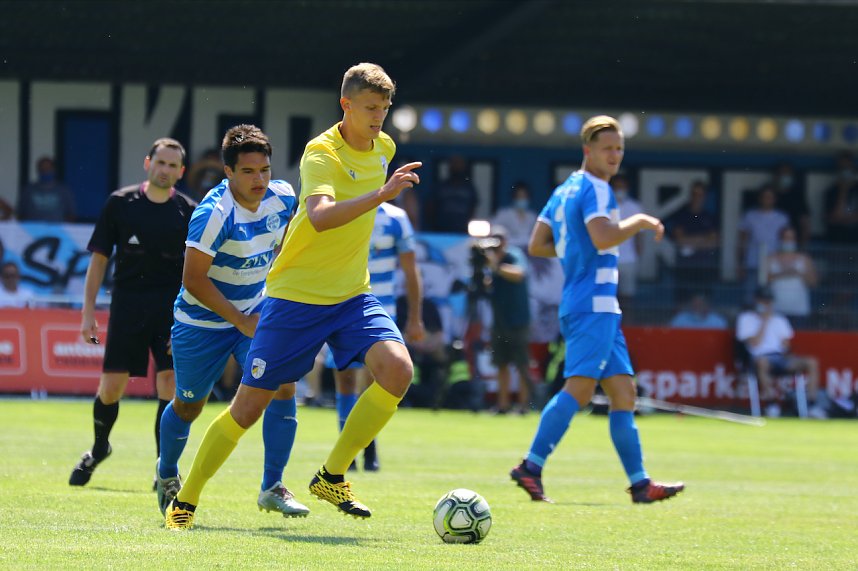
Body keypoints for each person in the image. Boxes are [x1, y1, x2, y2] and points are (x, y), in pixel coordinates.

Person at [165, 62, 422, 530]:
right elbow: (321, 217)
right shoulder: (320, 153)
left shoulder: (384, 146)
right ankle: (186, 498)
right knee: (246, 409)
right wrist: (383, 194)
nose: (379, 118)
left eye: (384, 109)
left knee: (398, 370)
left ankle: (332, 474)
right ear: (345, 104)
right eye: (370, 108)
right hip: (296, 298)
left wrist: (381, 191)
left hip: (351, 295)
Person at [509, 115, 684, 504]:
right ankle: (531, 466)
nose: (615, 156)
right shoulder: (598, 189)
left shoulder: (565, 189)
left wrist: (576, 249)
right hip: (594, 304)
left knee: (623, 394)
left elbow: (537, 244)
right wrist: (638, 221)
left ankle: (640, 485)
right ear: (587, 150)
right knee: (580, 389)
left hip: (590, 303)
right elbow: (603, 236)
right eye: (608, 148)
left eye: (619, 149)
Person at [154, 124, 308, 518]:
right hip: (200, 324)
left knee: (283, 386)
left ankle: (272, 485)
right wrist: (239, 320)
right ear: (227, 171)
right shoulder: (213, 213)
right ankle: (167, 472)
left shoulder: (283, 197)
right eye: (248, 172)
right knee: (189, 406)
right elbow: (192, 279)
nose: (259, 180)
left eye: (265, 170)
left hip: (254, 314)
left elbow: (286, 241)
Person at [68, 138, 196, 487]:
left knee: (168, 384)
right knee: (111, 389)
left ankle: (163, 466)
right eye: (161, 162)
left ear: (181, 172)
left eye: (173, 165)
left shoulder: (189, 211)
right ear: (147, 163)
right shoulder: (119, 203)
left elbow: (198, 270)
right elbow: (98, 260)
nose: (165, 169)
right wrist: (87, 312)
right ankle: (98, 449)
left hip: (172, 311)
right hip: (127, 306)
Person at [331, 199, 425, 472]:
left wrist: (415, 317)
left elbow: (410, 269)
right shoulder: (342, 210)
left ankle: (368, 449)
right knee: (346, 380)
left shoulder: (396, 218)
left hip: (380, 310)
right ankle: (346, 455)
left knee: (374, 382)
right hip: (342, 306)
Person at [736, 286, 826, 418]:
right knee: (763, 362)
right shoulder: (746, 318)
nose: (766, 305)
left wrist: (786, 353)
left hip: (780, 358)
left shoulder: (780, 320)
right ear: (756, 301)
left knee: (811, 362)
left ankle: (812, 405)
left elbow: (786, 344)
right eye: (763, 301)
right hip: (757, 358)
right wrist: (764, 321)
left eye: (768, 301)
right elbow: (754, 343)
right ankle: (771, 404)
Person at [484, 225, 534, 414]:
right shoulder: (490, 260)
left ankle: (524, 405)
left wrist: (495, 265)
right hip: (500, 320)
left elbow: (519, 273)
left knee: (522, 364)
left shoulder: (513, 255)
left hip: (518, 319)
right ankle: (503, 404)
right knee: (501, 363)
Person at [670, 180, 720, 303]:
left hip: (704, 265)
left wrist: (691, 241)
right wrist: (703, 239)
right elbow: (680, 240)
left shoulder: (709, 216)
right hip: (684, 266)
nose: (697, 197)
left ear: (705, 196)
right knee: (681, 299)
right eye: (695, 194)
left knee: (705, 299)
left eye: (701, 194)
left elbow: (714, 242)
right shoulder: (682, 214)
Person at [738, 185, 790, 302]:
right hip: (753, 262)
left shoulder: (782, 218)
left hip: (774, 264)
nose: (767, 199)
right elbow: (742, 240)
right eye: (765, 197)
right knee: (750, 297)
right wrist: (740, 263)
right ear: (760, 198)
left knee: (773, 297)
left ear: (775, 199)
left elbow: (786, 240)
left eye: (770, 197)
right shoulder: (750, 216)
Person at [765, 226, 818, 327]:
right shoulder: (770, 258)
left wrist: (800, 274)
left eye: (791, 238)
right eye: (785, 238)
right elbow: (763, 281)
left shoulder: (805, 259)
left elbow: (813, 282)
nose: (788, 241)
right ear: (780, 239)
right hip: (776, 309)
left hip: (799, 309)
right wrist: (786, 273)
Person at [610, 175, 643, 308]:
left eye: (622, 187)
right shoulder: (604, 206)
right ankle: (610, 328)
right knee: (609, 297)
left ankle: (628, 327)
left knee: (627, 298)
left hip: (629, 259)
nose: (620, 190)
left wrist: (638, 254)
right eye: (617, 187)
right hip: (609, 258)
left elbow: (640, 234)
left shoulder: (634, 206)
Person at [426, 155, 478, 234]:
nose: (457, 167)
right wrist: (431, 226)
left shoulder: (469, 188)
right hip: (441, 229)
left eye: (459, 164)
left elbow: (473, 207)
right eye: (454, 164)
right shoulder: (441, 186)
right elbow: (430, 206)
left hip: (462, 230)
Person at [16, 156, 77, 222]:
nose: (45, 171)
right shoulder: (28, 190)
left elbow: (71, 214)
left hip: (57, 231)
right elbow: (20, 213)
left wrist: (64, 229)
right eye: (42, 169)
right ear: (38, 170)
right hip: (32, 230)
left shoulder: (63, 191)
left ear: (53, 169)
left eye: (48, 169)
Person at [771, 163, 811, 250]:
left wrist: (803, 246)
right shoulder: (770, 196)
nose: (785, 176)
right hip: (771, 244)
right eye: (782, 173)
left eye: (788, 174)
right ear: (776, 176)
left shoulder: (797, 197)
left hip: (792, 243)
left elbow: (805, 224)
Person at [824, 151, 858, 244]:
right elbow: (833, 218)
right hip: (836, 241)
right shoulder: (831, 192)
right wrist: (843, 191)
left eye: (847, 167)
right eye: (842, 168)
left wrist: (842, 219)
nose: (845, 171)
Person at [491, 181, 538, 249]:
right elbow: (493, 228)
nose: (522, 199)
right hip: (509, 248)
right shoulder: (504, 213)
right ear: (514, 197)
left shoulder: (532, 216)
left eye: (524, 196)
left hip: (528, 250)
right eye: (519, 196)